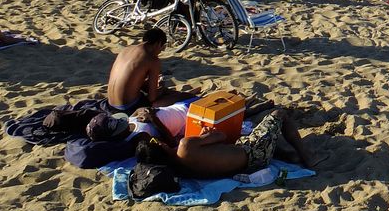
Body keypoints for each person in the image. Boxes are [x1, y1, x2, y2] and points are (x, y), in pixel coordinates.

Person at [138, 107, 314, 177]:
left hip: (243, 167)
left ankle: (287, 154)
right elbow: (220, 136)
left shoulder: (176, 167)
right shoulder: (185, 146)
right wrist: (205, 133)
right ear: (159, 145)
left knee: (259, 137)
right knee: (279, 114)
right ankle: (306, 158)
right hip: (253, 154)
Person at [106, 28, 193, 114]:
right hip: (127, 107)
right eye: (162, 47)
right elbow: (152, 98)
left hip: (110, 104)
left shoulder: (125, 50)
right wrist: (161, 89)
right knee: (176, 97)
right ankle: (191, 96)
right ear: (158, 43)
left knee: (161, 91)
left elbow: (130, 81)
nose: (161, 51)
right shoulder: (152, 59)